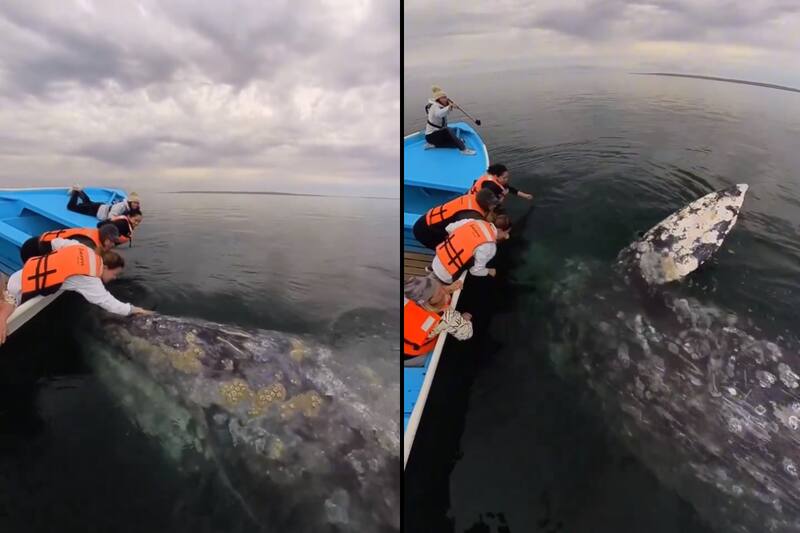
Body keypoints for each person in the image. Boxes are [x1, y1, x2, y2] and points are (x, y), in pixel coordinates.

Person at [0, 242, 151, 344]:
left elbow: (56, 242)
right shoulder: (90, 280)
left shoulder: (82, 248)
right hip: (21, 292)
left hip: (19, 276)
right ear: (105, 267)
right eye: (114, 274)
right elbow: (110, 304)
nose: (114, 278)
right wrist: (135, 309)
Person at [403, 275, 473, 363]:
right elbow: (466, 334)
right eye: (440, 293)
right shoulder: (445, 317)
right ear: (430, 302)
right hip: (411, 352)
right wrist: (465, 319)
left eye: (440, 287)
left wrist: (448, 289)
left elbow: (430, 291)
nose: (443, 291)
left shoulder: (412, 295)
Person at [430, 215, 512, 284]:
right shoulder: (490, 246)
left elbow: (449, 228)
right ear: (500, 230)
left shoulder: (474, 221)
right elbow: (475, 271)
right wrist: (489, 271)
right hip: (447, 276)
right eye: (506, 233)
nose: (506, 236)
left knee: (430, 280)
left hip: (437, 260)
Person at [412, 188, 499, 250]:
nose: (494, 207)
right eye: (493, 206)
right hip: (426, 231)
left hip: (426, 219)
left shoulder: (471, 197)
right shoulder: (472, 216)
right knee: (450, 251)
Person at [19, 224, 122, 263]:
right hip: (32, 250)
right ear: (105, 239)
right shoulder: (88, 246)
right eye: (112, 241)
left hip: (38, 241)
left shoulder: (94, 234)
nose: (113, 245)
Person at [425, 86, 476, 156]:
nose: (445, 99)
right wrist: (450, 106)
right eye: (443, 98)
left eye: (445, 97)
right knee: (448, 130)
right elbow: (439, 114)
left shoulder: (440, 105)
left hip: (437, 135)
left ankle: (433, 145)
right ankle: (463, 150)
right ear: (438, 99)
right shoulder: (434, 107)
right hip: (431, 136)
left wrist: (450, 106)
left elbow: (444, 112)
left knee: (455, 141)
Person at [469, 164, 534, 205]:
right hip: (476, 204)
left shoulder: (490, 178)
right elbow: (496, 204)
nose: (507, 179)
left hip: (469, 197)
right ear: (496, 176)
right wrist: (503, 195)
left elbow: (509, 189)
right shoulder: (493, 186)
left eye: (507, 177)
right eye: (504, 178)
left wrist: (525, 195)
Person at [66, 185, 141, 221]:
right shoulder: (121, 206)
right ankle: (76, 191)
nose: (136, 205)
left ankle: (80, 191)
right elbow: (110, 216)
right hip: (97, 210)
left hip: (101, 207)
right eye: (134, 202)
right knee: (71, 207)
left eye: (137, 203)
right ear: (130, 202)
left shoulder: (128, 208)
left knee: (88, 202)